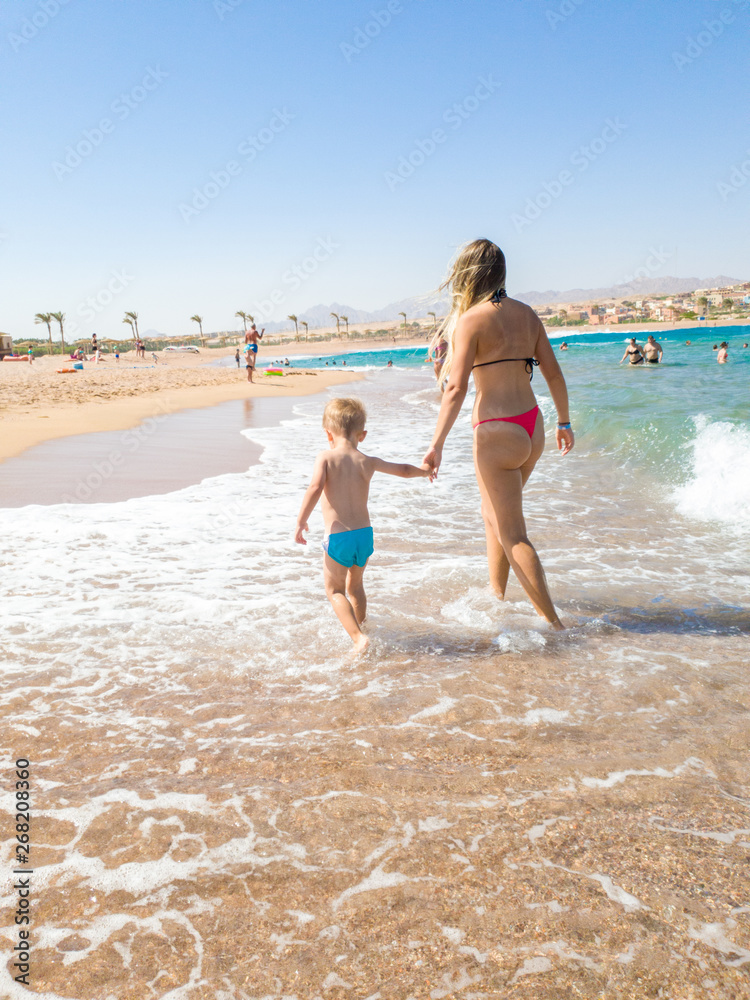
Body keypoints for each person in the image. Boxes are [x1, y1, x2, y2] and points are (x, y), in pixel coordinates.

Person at [422, 239, 573, 630]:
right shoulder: (527, 314)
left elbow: (454, 390)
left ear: (467, 274)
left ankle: (556, 627)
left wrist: (436, 444)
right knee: (493, 516)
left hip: (495, 432)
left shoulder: (471, 319)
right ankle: (497, 597)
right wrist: (564, 423)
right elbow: (554, 374)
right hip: (531, 427)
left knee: (513, 533)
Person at [295, 397, 432, 651]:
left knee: (335, 590)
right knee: (355, 585)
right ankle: (364, 627)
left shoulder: (325, 457)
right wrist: (424, 471)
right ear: (363, 435)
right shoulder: (368, 461)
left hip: (339, 538)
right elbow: (402, 469)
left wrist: (301, 521)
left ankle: (359, 638)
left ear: (328, 434)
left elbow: (314, 488)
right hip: (364, 536)